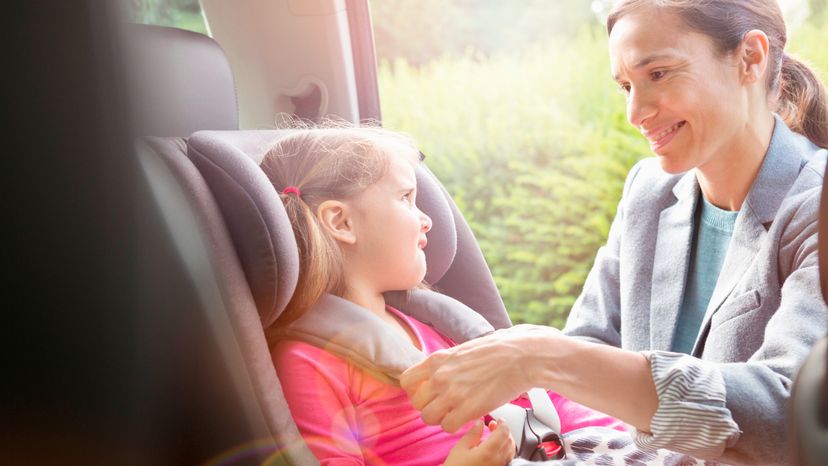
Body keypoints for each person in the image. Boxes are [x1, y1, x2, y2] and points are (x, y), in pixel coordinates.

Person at [400, 1, 828, 464]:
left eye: (659, 74)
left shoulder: (814, 205)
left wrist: (540, 356)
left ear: (750, 58)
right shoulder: (649, 191)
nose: (635, 111)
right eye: (626, 86)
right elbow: (590, 349)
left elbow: (790, 414)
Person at [261, 126, 624, 466]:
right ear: (341, 223)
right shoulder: (309, 364)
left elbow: (539, 399)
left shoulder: (434, 327)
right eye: (405, 198)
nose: (427, 219)